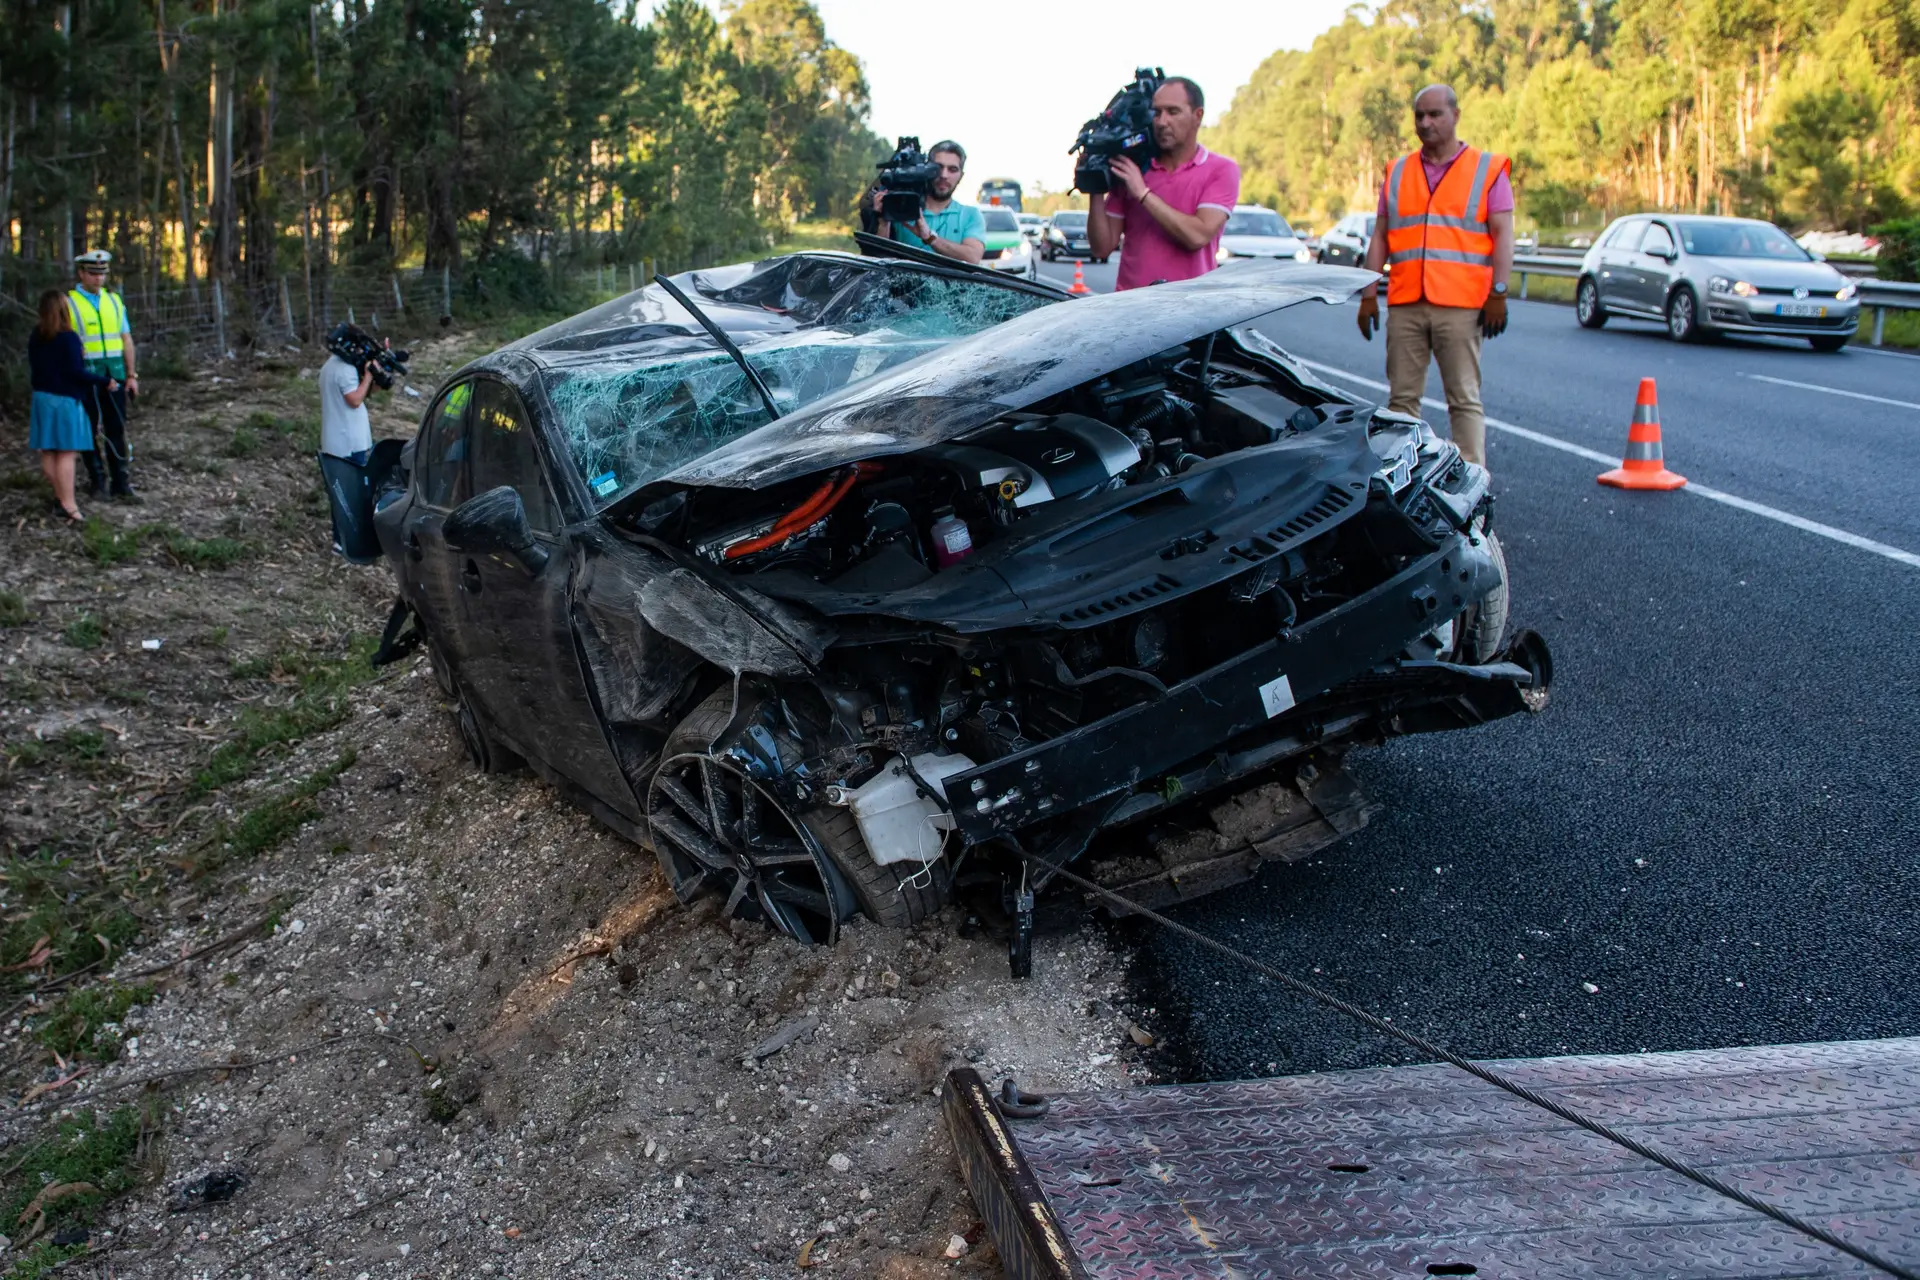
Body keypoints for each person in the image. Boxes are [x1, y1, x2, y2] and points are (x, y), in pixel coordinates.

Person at [1355, 85, 1514, 468]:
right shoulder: (1397, 171)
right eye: (1419, 115)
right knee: (1402, 401)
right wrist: (1367, 293)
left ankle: (1472, 482)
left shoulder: (1486, 169)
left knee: (1463, 399)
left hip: (1460, 306)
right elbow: (1381, 236)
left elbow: (1503, 233)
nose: (1426, 123)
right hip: (1407, 303)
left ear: (1455, 115)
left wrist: (1500, 292)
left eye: (1435, 114)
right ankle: (1403, 478)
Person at [1087, 77, 1240, 291]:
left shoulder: (1222, 170)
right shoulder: (1133, 168)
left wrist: (1143, 193)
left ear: (1198, 116)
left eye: (1173, 112)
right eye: (1156, 112)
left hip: (1191, 309)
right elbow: (1101, 248)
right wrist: (1093, 185)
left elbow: (1197, 235)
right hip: (1130, 310)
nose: (1161, 121)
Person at [28, 289, 116, 523]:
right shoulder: (68, 338)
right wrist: (105, 380)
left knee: (48, 450)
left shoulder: (36, 335)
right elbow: (75, 372)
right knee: (67, 453)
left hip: (41, 398)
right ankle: (70, 504)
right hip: (64, 400)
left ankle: (60, 498)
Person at [66, 249, 141, 500]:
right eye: (93, 273)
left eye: (102, 274)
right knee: (87, 429)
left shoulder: (114, 301)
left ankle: (121, 482)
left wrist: (131, 375)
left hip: (115, 373)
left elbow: (126, 338)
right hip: (85, 376)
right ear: (81, 273)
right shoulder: (69, 303)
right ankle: (97, 480)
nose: (98, 279)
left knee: (116, 428)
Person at [876, 140, 985, 265]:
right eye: (938, 167)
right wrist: (883, 221)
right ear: (926, 170)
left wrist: (930, 238)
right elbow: (879, 259)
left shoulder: (970, 215)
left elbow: (972, 257)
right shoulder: (903, 207)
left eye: (952, 169)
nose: (944, 175)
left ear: (961, 176)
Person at [319, 337, 384, 468]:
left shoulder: (329, 365)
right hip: (349, 443)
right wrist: (368, 375)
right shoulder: (345, 369)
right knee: (353, 483)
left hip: (335, 441)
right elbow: (354, 400)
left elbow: (361, 392)